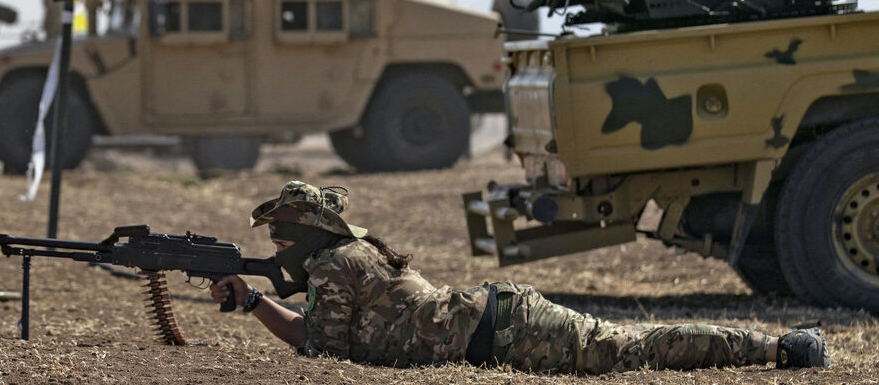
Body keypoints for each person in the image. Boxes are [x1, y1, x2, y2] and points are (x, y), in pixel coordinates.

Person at [209, 181, 829, 373]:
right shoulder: (346, 256)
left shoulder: (331, 266)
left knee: (635, 351)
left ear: (306, 231)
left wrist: (255, 302)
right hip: (501, 320)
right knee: (632, 347)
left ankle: (778, 347)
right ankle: (775, 345)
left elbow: (321, 345)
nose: (276, 242)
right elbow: (331, 331)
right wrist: (256, 297)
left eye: (280, 231)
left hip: (508, 330)